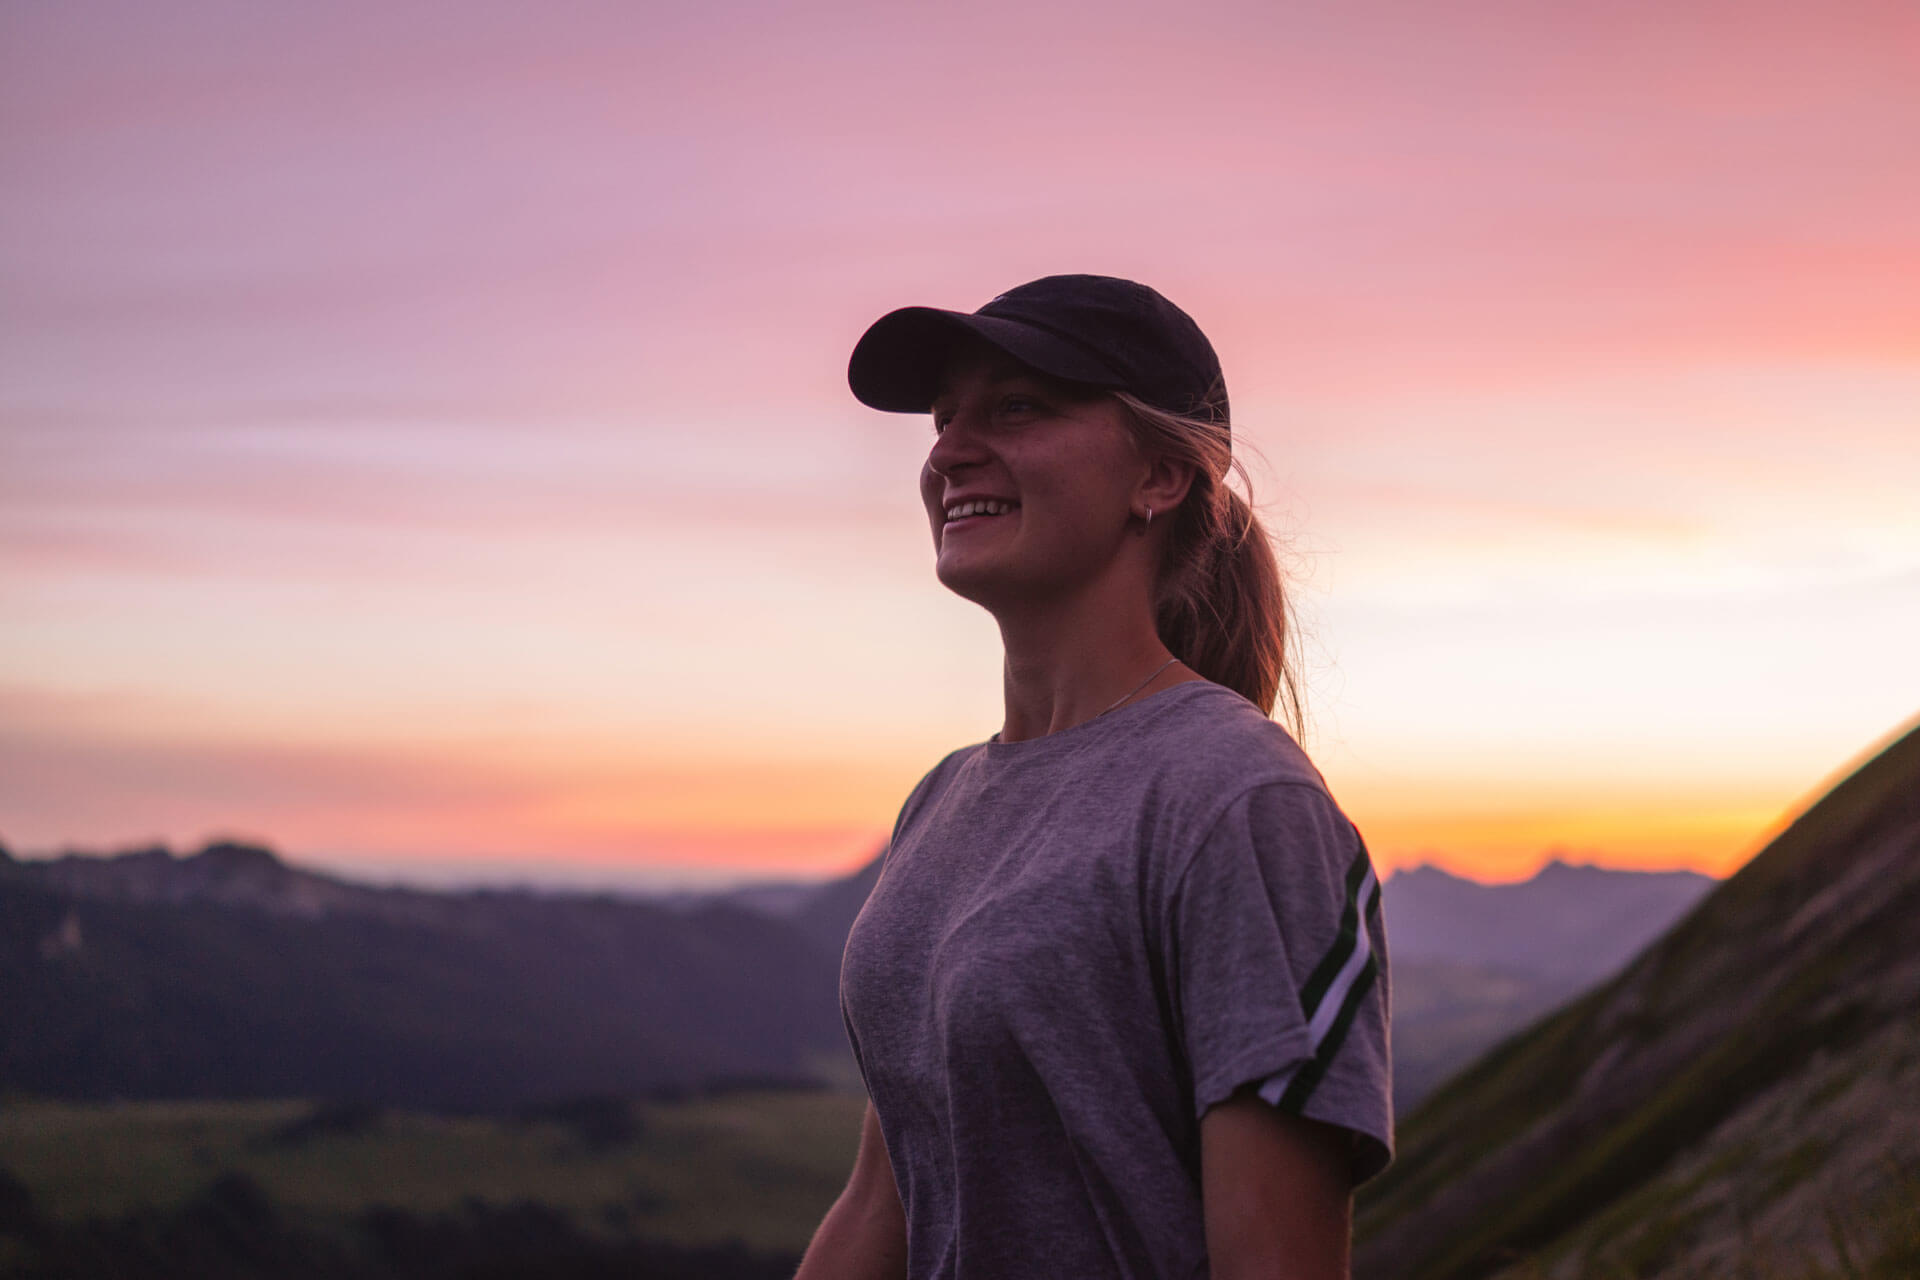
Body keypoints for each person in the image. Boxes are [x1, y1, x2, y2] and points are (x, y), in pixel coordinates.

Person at [796, 275, 1391, 1280]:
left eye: (1018, 406)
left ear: (1157, 478)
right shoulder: (941, 802)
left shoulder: (1236, 799)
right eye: (944, 420)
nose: (948, 450)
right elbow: (879, 1201)